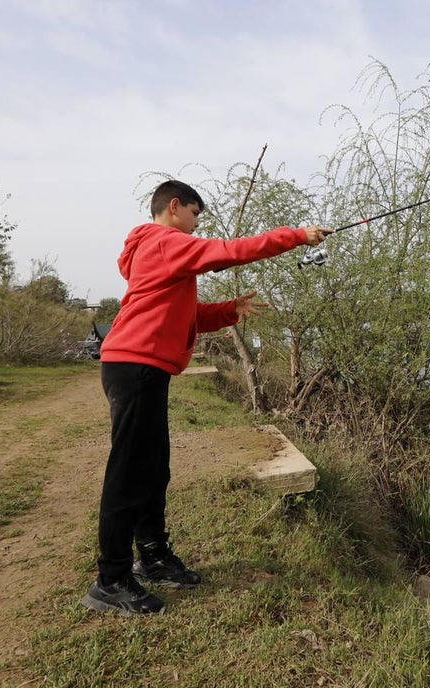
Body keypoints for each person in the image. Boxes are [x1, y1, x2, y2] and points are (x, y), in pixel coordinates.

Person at [81, 179, 332, 615]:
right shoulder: (163, 240)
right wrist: (296, 236)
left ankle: (153, 557)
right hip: (136, 366)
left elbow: (185, 314)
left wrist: (228, 310)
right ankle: (111, 580)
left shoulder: (158, 252)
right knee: (129, 472)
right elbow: (229, 251)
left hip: (143, 367)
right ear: (174, 206)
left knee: (153, 468)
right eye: (195, 214)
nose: (197, 224)